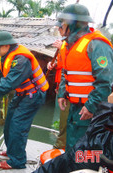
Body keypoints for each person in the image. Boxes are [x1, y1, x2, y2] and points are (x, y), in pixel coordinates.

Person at [0, 31, 48, 169]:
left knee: (18, 126)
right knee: (9, 123)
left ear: (6, 45)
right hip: (21, 94)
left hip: (33, 95)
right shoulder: (4, 57)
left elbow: (8, 83)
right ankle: (13, 151)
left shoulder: (21, 60)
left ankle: (17, 161)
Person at [56, 4, 113, 150]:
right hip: (75, 108)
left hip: (90, 110)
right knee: (72, 146)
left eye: (63, 23)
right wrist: (63, 92)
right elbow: (66, 72)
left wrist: (91, 106)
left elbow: (105, 81)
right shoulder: (71, 45)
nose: (60, 27)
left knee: (84, 149)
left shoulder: (96, 44)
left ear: (73, 24)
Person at [47, 21, 70, 149]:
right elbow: (63, 65)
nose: (60, 31)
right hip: (61, 87)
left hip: (70, 90)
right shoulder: (64, 45)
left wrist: (62, 47)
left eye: (61, 28)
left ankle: (61, 146)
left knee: (65, 120)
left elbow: (71, 65)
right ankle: (60, 142)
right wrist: (53, 65)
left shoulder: (68, 46)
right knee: (61, 119)